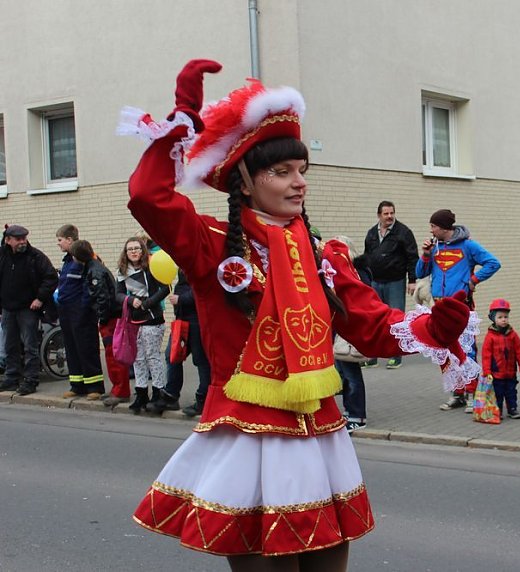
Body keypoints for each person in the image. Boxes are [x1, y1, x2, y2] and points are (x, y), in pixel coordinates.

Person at [121, 59, 474, 570]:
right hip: (249, 432)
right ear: (244, 180)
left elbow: (371, 323)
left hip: (317, 429)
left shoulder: (321, 254)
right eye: (282, 171)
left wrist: (431, 328)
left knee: (333, 560)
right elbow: (147, 197)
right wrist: (181, 119)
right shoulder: (213, 245)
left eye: (302, 171)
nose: (298, 182)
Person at [416, 208, 501, 412]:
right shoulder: (435, 247)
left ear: (444, 227)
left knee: (466, 349)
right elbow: (419, 272)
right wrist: (426, 255)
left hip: (460, 306)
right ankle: (457, 393)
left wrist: (473, 281)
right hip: (438, 307)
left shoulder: (468, 246)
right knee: (445, 350)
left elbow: (493, 263)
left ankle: (472, 393)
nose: (431, 230)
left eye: (434, 226)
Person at [66, 239, 130, 406]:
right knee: (112, 356)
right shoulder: (94, 267)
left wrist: (101, 318)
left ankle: (121, 391)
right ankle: (117, 389)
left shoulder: (94, 272)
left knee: (113, 356)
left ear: (76, 256)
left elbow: (103, 298)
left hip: (110, 319)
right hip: (110, 317)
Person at [0, 225, 58, 396]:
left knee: (30, 345)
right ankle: (11, 378)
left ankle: (31, 380)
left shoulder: (35, 256)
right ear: (8, 240)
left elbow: (51, 277)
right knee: (10, 345)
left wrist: (39, 298)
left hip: (28, 309)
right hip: (8, 308)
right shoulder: (2, 255)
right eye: (18, 239)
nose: (22, 242)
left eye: (24, 238)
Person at [147, 269, 212, 417]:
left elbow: (203, 290)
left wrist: (181, 299)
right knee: (172, 356)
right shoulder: (182, 261)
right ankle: (171, 396)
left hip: (198, 322)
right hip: (182, 321)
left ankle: (204, 399)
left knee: (201, 361)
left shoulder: (200, 262)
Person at [115, 237, 169, 412]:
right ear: (126, 252)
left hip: (152, 319)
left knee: (152, 356)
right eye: (130, 249)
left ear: (143, 250)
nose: (133, 252)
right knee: (137, 358)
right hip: (133, 320)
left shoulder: (152, 267)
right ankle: (141, 393)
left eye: (137, 248)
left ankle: (159, 393)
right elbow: (118, 294)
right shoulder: (122, 271)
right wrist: (130, 300)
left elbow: (165, 288)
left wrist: (146, 303)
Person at [363, 201, 419, 369]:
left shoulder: (403, 232)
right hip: (375, 282)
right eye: (386, 214)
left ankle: (396, 355)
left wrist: (413, 280)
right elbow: (367, 256)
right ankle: (372, 355)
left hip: (395, 282)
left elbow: (412, 257)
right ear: (379, 215)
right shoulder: (372, 233)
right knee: (374, 319)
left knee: (395, 319)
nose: (389, 216)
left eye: (391, 213)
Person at [56, 224, 105, 400]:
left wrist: (84, 308)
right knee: (72, 349)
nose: (58, 244)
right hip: (67, 313)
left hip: (82, 313)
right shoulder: (69, 261)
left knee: (87, 349)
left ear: (70, 239)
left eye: (60, 240)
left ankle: (95, 387)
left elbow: (90, 286)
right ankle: (77, 385)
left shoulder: (87, 258)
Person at [331, 235, 370, 433]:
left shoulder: (357, 272)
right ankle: (349, 411)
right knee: (344, 372)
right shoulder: (343, 272)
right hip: (340, 326)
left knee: (351, 372)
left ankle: (357, 415)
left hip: (349, 327)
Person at [482, 298, 520, 419]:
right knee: (498, 393)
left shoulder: (512, 334)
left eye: (506, 317)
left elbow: (519, 350)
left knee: (511, 391)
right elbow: (486, 355)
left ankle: (512, 409)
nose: (503, 320)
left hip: (510, 371)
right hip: (496, 373)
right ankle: (499, 410)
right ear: (493, 318)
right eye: (500, 317)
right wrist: (486, 371)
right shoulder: (490, 336)